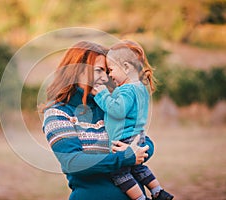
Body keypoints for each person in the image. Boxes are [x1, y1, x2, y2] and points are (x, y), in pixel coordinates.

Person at [42, 41, 155, 200]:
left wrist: (142, 150)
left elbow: (144, 141)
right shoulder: (58, 113)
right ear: (77, 71)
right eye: (99, 70)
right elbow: (73, 163)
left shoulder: (108, 104)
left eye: (108, 70)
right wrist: (126, 157)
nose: (106, 77)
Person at [93, 40, 174, 200]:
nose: (109, 75)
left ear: (126, 67)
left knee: (119, 173)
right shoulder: (139, 87)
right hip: (137, 135)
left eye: (111, 69)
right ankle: (158, 191)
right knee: (137, 168)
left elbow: (117, 110)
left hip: (125, 137)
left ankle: (139, 198)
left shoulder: (127, 89)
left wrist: (102, 95)